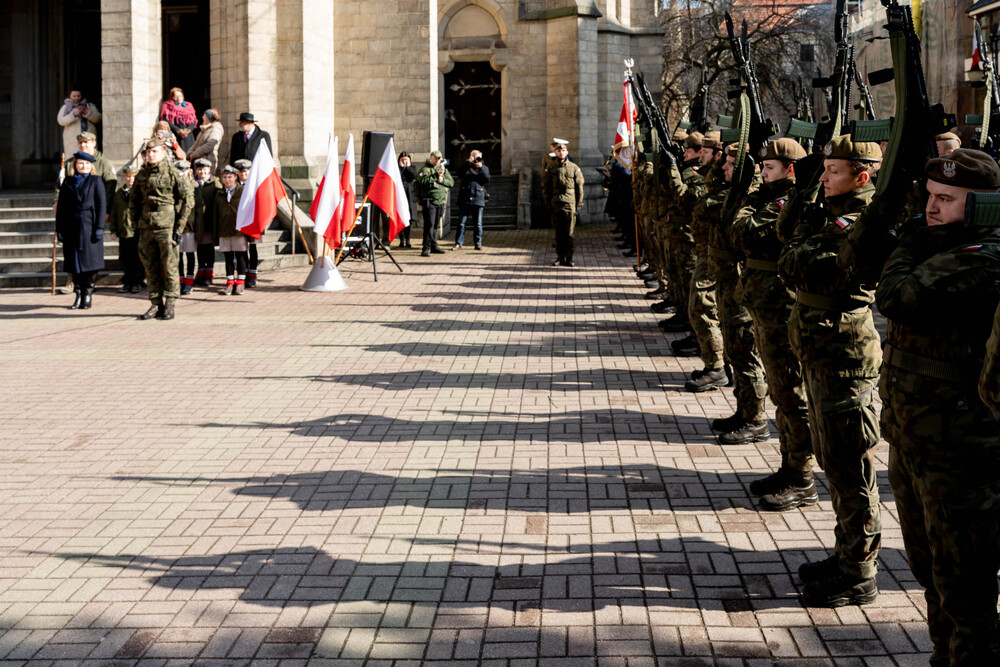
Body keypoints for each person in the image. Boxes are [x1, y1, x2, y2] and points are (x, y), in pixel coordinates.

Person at [875, 149, 1000, 665]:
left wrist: (906, 240)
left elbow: (897, 296)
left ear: (983, 208)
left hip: (962, 450)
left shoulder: (983, 256)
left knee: (963, 582)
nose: (930, 208)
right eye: (929, 197)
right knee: (930, 567)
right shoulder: (937, 244)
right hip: (918, 439)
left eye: (946, 200)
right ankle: (945, 653)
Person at [777, 135, 883, 607]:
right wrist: (806, 197)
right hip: (821, 352)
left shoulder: (864, 221)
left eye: (832, 170)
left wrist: (800, 246)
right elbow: (788, 237)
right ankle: (846, 554)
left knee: (850, 465)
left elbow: (799, 263)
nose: (822, 177)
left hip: (844, 357)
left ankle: (859, 572)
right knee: (832, 459)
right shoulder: (828, 211)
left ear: (861, 176)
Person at [731, 138, 815, 510]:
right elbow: (736, 230)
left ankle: (802, 477)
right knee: (781, 391)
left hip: (781, 307)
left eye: (768, 169)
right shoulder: (769, 198)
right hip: (764, 303)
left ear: (790, 170)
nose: (761, 174)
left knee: (791, 392)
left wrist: (748, 207)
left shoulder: (791, 201)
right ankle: (788, 465)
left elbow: (745, 233)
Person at [131, 139, 192, 320]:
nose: (151, 155)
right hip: (146, 227)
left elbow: (188, 200)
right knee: (150, 267)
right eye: (148, 152)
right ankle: (156, 303)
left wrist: (179, 226)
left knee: (169, 266)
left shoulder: (173, 173)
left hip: (167, 227)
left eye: (154, 152)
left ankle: (170, 304)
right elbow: (133, 201)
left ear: (164, 153)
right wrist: (136, 225)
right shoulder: (142, 175)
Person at [55, 151, 106, 310]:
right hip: (72, 226)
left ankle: (87, 293)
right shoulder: (68, 182)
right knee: (74, 263)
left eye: (87, 164)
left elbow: (101, 205)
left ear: (91, 166)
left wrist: (99, 227)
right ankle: (78, 293)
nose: (83, 166)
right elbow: (61, 208)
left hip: (89, 226)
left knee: (90, 262)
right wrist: (60, 228)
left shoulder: (96, 181)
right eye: (80, 163)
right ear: (75, 165)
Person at [541, 140, 584, 266]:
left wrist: (578, 204)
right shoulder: (551, 168)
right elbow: (546, 187)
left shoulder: (574, 168)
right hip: (556, 203)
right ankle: (560, 257)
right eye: (558, 151)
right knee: (558, 232)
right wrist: (547, 203)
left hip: (570, 204)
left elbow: (579, 188)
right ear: (555, 152)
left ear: (567, 152)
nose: (561, 153)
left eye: (563, 150)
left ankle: (569, 258)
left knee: (569, 233)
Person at [107, 163, 143, 294]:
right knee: (125, 258)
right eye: (127, 177)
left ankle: (137, 281)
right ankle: (127, 281)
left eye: (133, 177)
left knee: (137, 258)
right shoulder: (119, 194)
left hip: (137, 231)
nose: (130, 179)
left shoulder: (141, 192)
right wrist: (113, 230)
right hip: (123, 231)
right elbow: (115, 213)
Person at [214, 166, 247, 295]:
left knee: (240, 256)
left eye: (230, 177)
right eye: (225, 177)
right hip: (224, 229)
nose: (227, 180)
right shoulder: (219, 193)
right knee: (228, 257)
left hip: (238, 229)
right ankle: (229, 282)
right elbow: (215, 213)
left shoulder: (242, 191)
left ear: (235, 177)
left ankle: (240, 282)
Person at [416, 150, 454, 256]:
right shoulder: (425, 169)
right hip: (430, 201)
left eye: (439, 159)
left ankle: (434, 245)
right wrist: (435, 176)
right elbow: (421, 181)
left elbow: (451, 182)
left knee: (435, 225)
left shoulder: (443, 169)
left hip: (440, 201)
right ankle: (425, 248)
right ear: (431, 157)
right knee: (429, 225)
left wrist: (442, 180)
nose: (437, 160)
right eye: (436, 158)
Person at [454, 150, 491, 250]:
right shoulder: (466, 167)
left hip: (478, 197)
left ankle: (478, 243)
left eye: (478, 157)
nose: (476, 159)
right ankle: (458, 243)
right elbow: (459, 174)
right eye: (475, 157)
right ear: (471, 157)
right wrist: (468, 163)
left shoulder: (484, 168)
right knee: (461, 223)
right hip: (465, 198)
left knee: (478, 223)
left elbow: (487, 179)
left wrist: (480, 167)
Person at [232, 159, 260, 286]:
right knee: (242, 250)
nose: (243, 174)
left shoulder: (255, 184)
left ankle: (253, 274)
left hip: (253, 220)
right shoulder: (234, 186)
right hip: (240, 221)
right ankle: (244, 273)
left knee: (253, 248)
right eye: (241, 172)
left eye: (246, 172)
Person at [192, 158, 219, 287]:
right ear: (196, 170)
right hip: (197, 221)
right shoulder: (193, 183)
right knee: (200, 248)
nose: (202, 171)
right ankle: (201, 270)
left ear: (209, 169)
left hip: (210, 220)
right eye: (199, 169)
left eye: (204, 169)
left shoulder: (216, 183)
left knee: (209, 248)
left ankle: (209, 272)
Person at [173, 160, 198, 295]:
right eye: (179, 170)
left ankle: (189, 280)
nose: (181, 173)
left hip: (189, 226)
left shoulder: (194, 185)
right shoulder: (173, 186)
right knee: (178, 255)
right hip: (176, 225)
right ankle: (181, 279)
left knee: (189, 254)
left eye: (184, 170)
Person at [57, 87, 101, 160]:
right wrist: (73, 114)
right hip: (72, 140)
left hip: (88, 137)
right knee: (73, 160)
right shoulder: (65, 107)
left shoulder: (89, 106)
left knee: (90, 158)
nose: (76, 98)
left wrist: (88, 113)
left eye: (78, 96)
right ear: (70, 96)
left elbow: (98, 118)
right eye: (74, 96)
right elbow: (61, 120)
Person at [159, 87, 198, 154]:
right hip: (176, 136)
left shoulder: (189, 106)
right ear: (172, 98)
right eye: (176, 96)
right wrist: (178, 131)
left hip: (188, 136)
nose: (179, 98)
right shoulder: (167, 106)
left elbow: (194, 120)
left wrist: (188, 130)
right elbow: (167, 121)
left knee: (190, 155)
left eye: (180, 96)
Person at [187, 108, 224, 174]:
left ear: (208, 118)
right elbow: (197, 143)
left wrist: (195, 154)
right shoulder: (205, 128)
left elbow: (210, 145)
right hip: (199, 161)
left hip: (207, 161)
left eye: (204, 115)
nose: (202, 117)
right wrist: (190, 152)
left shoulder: (216, 129)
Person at [397, 152, 417, 249]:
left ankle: (408, 240)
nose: (404, 161)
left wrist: (407, 167)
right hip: (399, 195)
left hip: (409, 196)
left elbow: (412, 175)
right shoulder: (396, 168)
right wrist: (401, 168)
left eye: (406, 160)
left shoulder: (413, 168)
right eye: (402, 160)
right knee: (400, 218)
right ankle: (401, 240)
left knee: (408, 218)